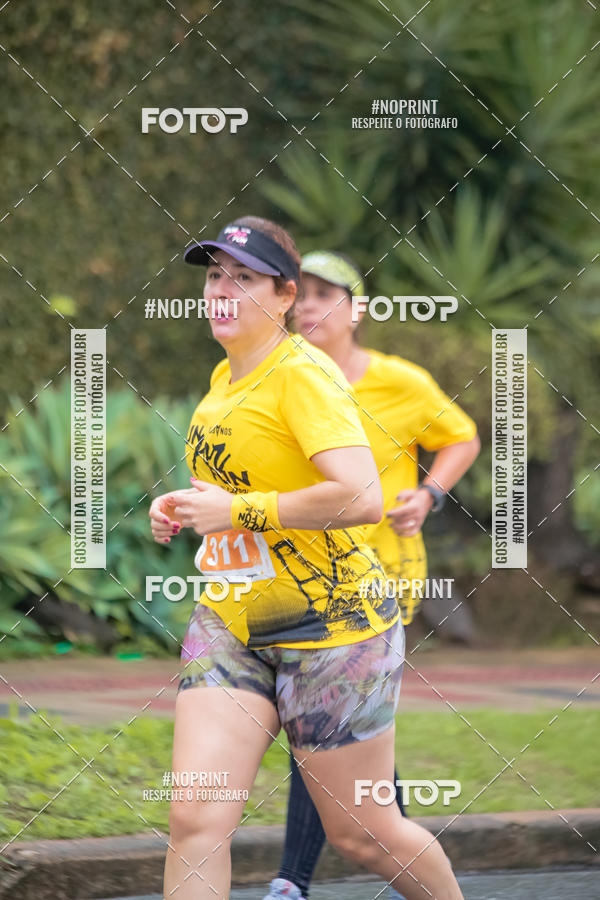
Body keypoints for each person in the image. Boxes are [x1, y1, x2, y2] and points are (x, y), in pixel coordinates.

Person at [149, 217, 465, 900]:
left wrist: (237, 511)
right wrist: (188, 504)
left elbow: (361, 496)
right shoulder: (224, 375)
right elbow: (244, 483)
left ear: (285, 295)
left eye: (243, 278)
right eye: (212, 276)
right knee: (194, 817)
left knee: (364, 834)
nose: (221, 291)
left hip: (335, 630)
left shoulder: (303, 375)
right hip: (232, 623)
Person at [264, 250, 480, 900]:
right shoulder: (282, 377)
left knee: (322, 717)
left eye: (326, 296)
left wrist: (430, 495)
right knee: (347, 728)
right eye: (301, 296)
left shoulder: (401, 382)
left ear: (356, 310)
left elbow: (461, 435)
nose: (308, 307)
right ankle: (401, 851)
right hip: (307, 576)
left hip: (382, 574)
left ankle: (290, 882)